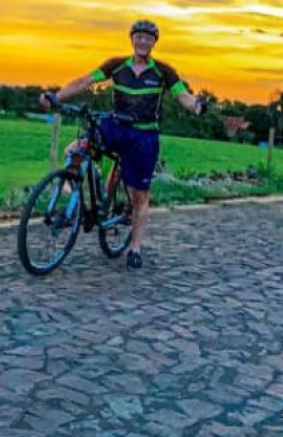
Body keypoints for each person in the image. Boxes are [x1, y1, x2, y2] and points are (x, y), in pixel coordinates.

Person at [40, 19, 204, 270]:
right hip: (116, 127)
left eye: (148, 38)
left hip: (144, 137)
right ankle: (76, 197)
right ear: (132, 39)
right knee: (75, 150)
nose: (142, 41)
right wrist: (57, 96)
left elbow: (182, 94)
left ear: (154, 43)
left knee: (139, 196)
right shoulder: (117, 65)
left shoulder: (163, 71)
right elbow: (85, 81)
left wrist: (196, 106)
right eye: (138, 36)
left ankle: (135, 248)